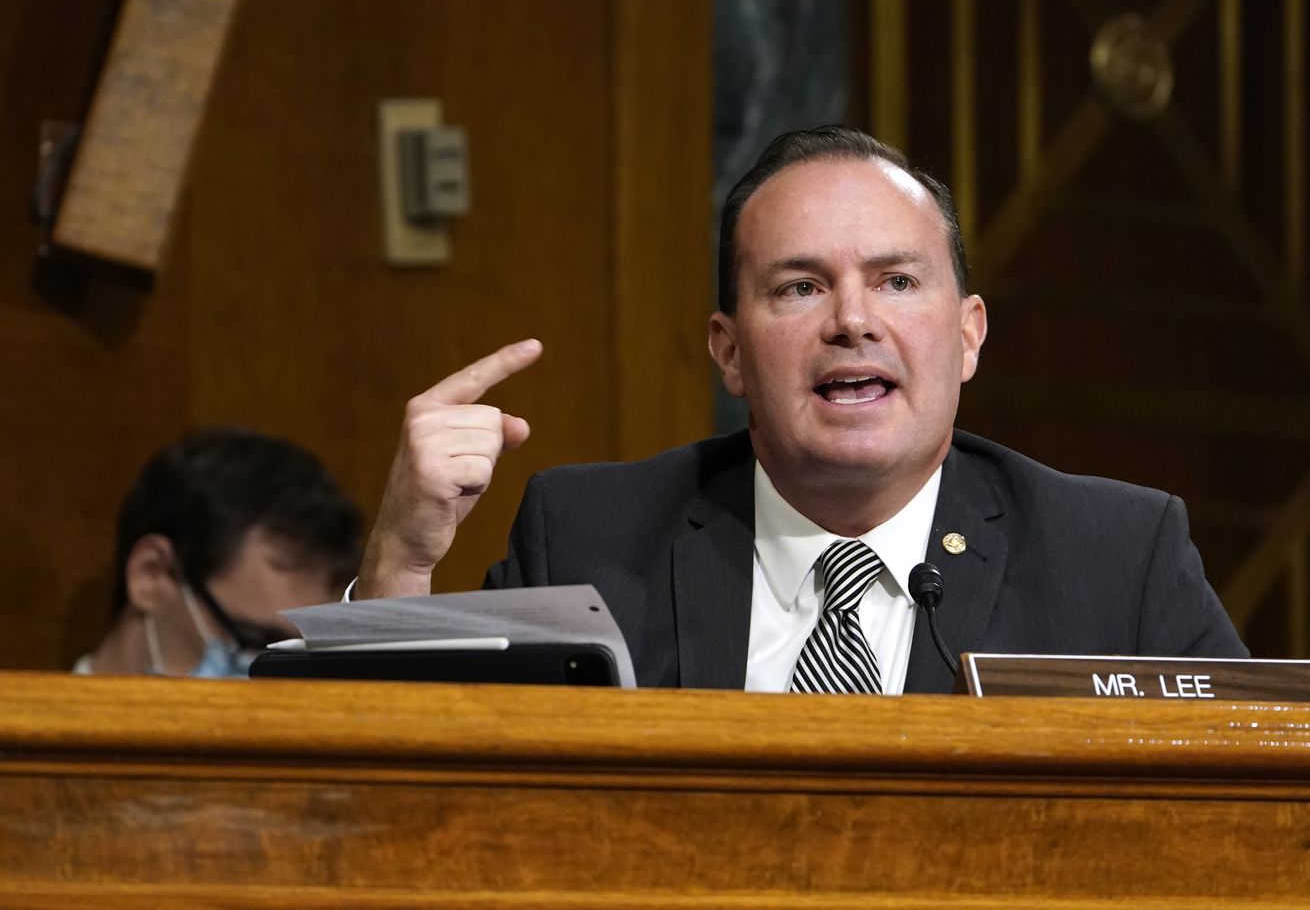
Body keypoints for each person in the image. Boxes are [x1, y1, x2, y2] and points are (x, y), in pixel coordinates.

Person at [355, 125, 1247, 692]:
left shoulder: (1116, 558)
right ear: (729, 350)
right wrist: (401, 559)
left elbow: (1261, 810)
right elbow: (424, 803)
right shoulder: (589, 536)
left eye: (896, 280)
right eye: (800, 287)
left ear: (969, 336)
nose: (852, 321)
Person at [76, 427, 362, 677]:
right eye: (256, 641)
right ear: (151, 573)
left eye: (300, 654)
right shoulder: (35, 735)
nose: (281, 682)